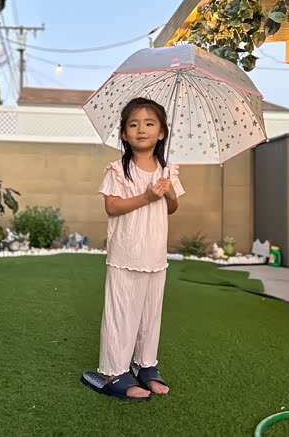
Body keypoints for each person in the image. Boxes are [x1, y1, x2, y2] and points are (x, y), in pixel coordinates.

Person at [81, 97, 185, 401]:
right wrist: (147, 196)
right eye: (133, 124)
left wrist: (168, 193)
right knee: (122, 312)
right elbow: (112, 207)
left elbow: (172, 207)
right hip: (126, 255)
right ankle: (112, 370)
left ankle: (145, 364)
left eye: (149, 124)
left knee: (150, 314)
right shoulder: (117, 170)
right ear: (124, 134)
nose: (141, 129)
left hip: (155, 255)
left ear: (161, 133)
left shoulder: (167, 170)